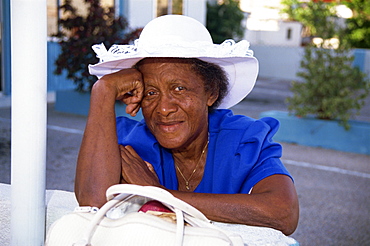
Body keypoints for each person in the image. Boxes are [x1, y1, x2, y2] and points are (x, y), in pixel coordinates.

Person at [75, 15, 299, 235]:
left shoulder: (243, 139)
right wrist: (103, 91)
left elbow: (283, 214)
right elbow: (91, 204)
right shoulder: (128, 141)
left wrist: (160, 195)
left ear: (210, 92)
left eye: (179, 89)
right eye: (151, 92)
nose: (164, 108)